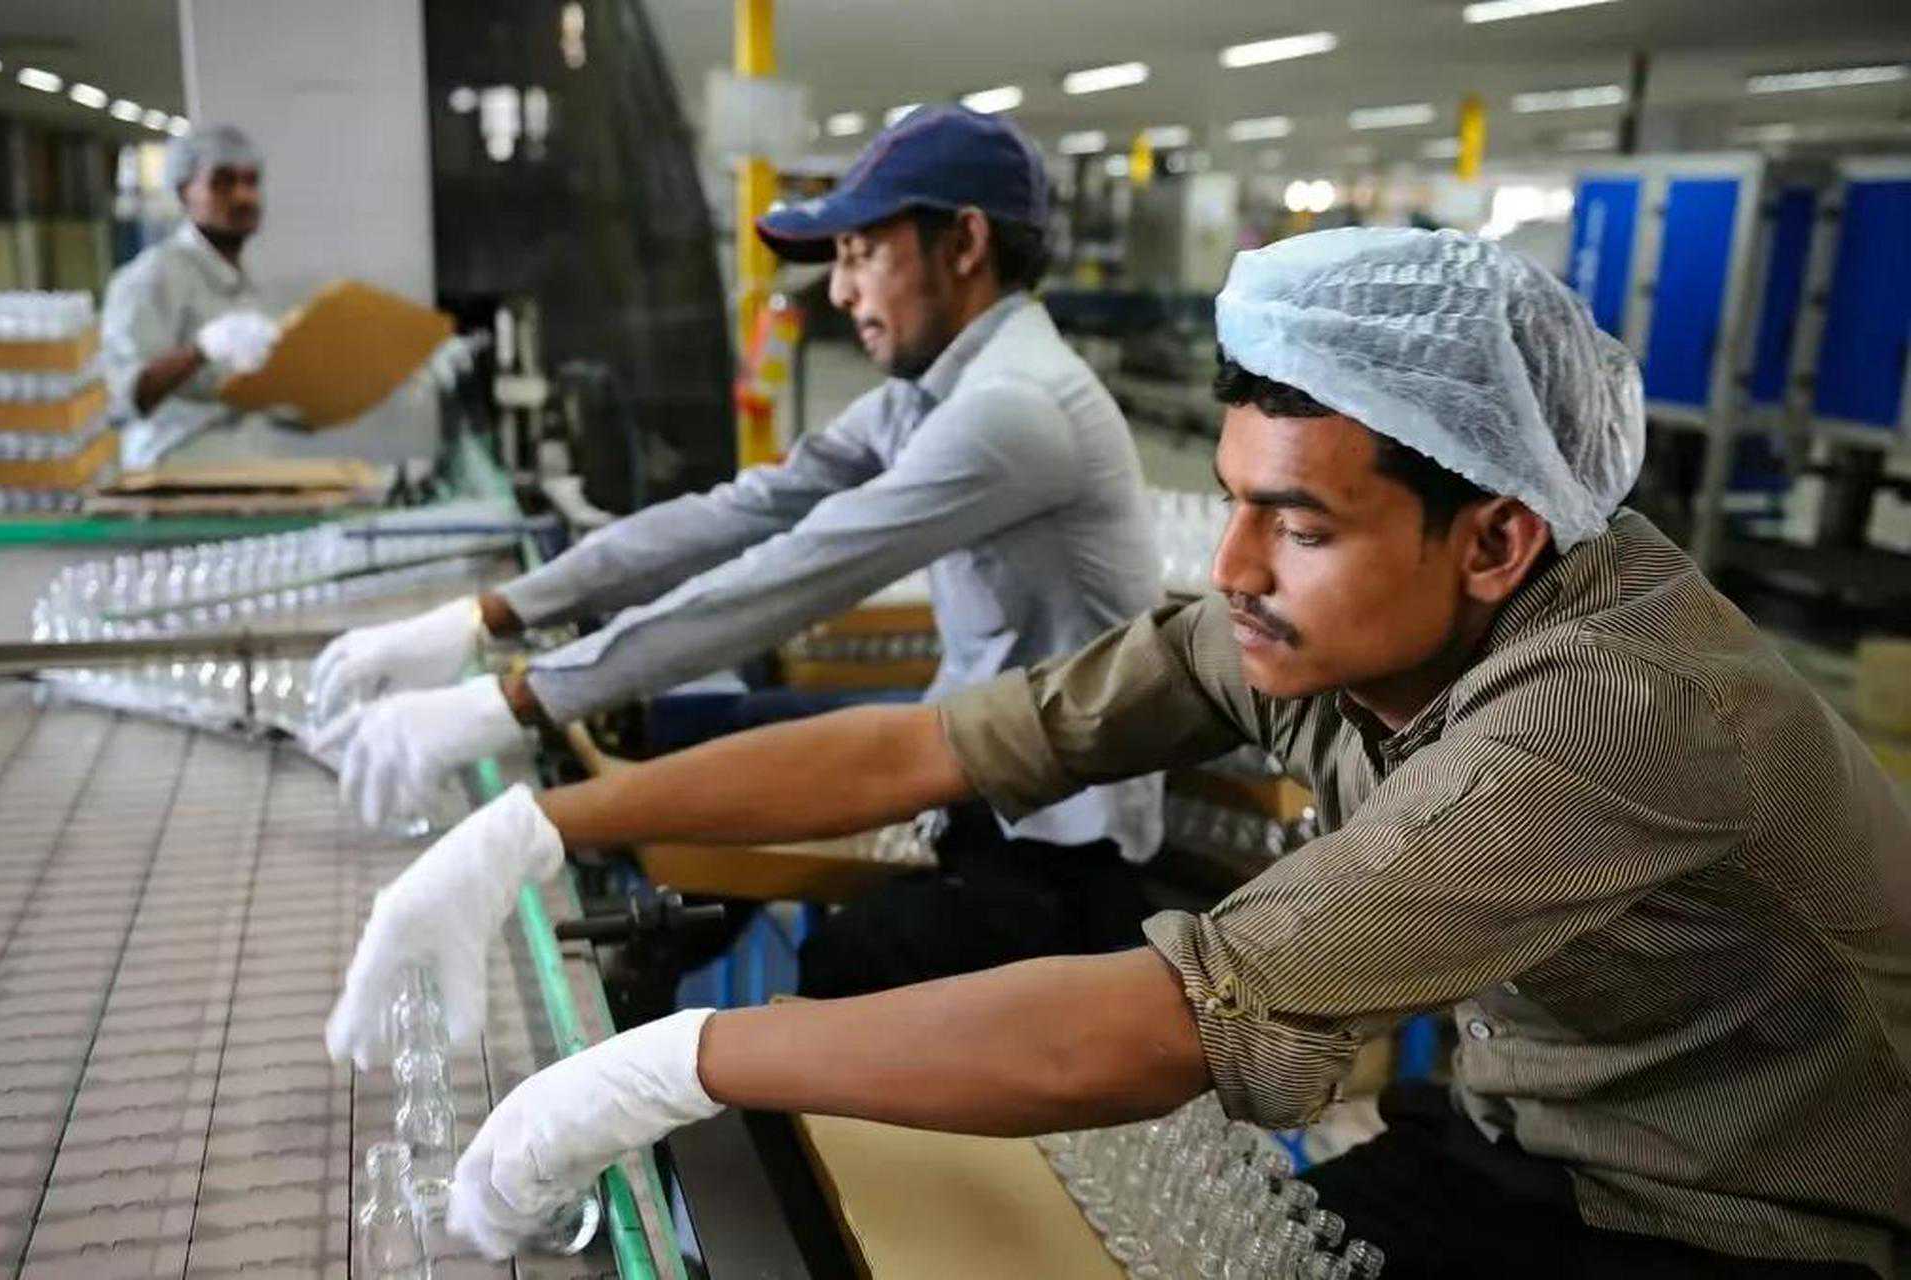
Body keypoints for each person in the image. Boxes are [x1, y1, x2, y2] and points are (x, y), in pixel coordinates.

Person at [329, 228, 1909, 1277]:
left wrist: (669, 1065)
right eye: (1232, 501)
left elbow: (1175, 1020)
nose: (1232, 568)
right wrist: (539, 826)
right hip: (1530, 1139)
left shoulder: (1612, 714)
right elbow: (938, 748)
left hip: (1746, 1226)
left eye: (1298, 524)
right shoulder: (1320, 624)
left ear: (1493, 538)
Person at [310, 104, 1165, 997]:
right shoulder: (931, 393)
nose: (841, 293)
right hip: (969, 781)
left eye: (860, 254)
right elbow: (739, 513)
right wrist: (487, 616)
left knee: (840, 972)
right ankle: (640, 968)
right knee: (713, 735)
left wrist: (514, 701)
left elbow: (791, 579)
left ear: (964, 244)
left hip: (1056, 847)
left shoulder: (1015, 410)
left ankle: (652, 1008)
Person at [100, 124, 285, 469]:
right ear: (184, 191)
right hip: (171, 473)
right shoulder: (152, 277)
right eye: (223, 182)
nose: (243, 196)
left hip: (240, 470)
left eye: (251, 181)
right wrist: (200, 351)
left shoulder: (241, 281)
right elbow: (120, 398)